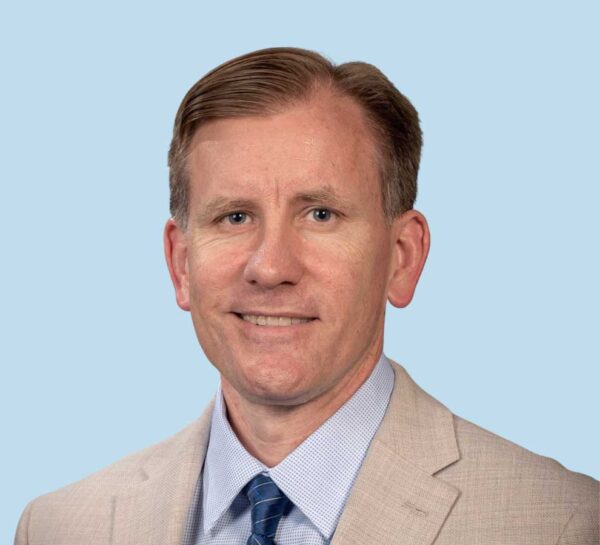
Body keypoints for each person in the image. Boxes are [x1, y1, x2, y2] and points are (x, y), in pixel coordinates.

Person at [14, 47, 598, 545]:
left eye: (320, 214)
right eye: (234, 215)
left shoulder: (563, 523)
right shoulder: (59, 526)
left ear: (402, 257)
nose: (270, 267)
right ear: (180, 264)